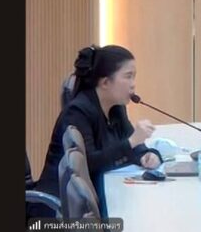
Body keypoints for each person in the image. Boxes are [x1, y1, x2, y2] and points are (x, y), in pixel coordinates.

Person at [34, 45, 162, 218]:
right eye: (128, 76)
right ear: (105, 82)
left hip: (92, 199)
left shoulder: (116, 108)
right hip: (58, 208)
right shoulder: (78, 112)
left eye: (134, 76)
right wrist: (132, 142)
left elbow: (132, 145)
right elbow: (88, 165)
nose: (133, 84)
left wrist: (148, 154)